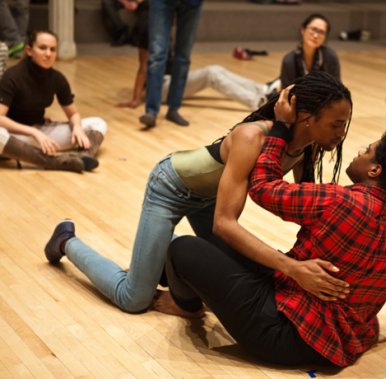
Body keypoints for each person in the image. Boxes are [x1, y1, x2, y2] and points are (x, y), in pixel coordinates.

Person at [156, 96, 386, 367]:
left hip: (282, 334)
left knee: (183, 247)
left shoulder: (337, 200)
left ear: (374, 169)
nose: (358, 150)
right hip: (339, 341)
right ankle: (179, 282)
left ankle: (183, 304)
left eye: (366, 150)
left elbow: (263, 187)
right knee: (224, 244)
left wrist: (282, 130)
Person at [44, 71, 353, 314]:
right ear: (306, 117)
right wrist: (290, 266)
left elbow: (303, 209)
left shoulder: (306, 145)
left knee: (255, 274)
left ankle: (161, 254)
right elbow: (224, 224)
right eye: (337, 125)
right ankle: (66, 241)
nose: (341, 134)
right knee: (133, 298)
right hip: (170, 188)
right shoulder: (252, 137)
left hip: (211, 199)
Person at [117, 2, 279, 111]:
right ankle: (258, 102)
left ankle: (261, 89)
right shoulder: (148, 28)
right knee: (211, 74)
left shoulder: (163, 25)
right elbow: (144, 66)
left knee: (214, 69)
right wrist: (136, 99)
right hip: (161, 88)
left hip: (173, 83)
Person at [0, 30, 107, 173]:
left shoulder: (58, 78)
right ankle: (55, 162)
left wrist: (77, 128)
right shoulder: (13, 76)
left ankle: (84, 157)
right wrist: (33, 132)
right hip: (13, 136)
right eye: (42, 48)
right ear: (29, 50)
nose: (48, 54)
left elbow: (73, 113)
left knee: (98, 123)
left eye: (52, 49)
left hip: (41, 133)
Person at [138, 0, 203, 128]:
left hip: (192, 3)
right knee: (157, 55)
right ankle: (151, 112)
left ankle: (173, 109)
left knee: (183, 56)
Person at [280, 13, 340, 89]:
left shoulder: (331, 57)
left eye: (321, 32)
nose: (316, 36)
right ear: (302, 30)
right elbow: (285, 93)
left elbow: (338, 90)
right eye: (313, 29)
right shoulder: (289, 60)